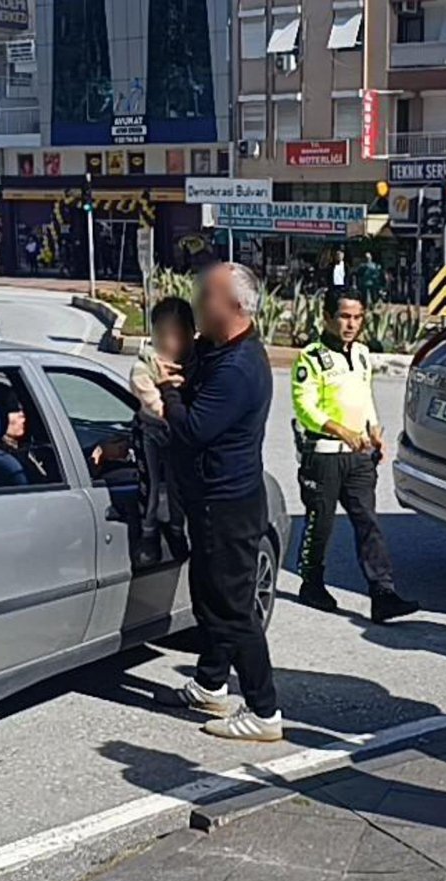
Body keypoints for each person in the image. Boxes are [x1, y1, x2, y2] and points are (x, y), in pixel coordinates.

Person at [153, 263, 282, 742]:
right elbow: (191, 370)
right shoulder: (215, 349)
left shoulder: (241, 367)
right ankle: (211, 683)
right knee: (208, 597)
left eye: (204, 295)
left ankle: (264, 711)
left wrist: (167, 390)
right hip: (209, 500)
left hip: (229, 504)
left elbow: (191, 430)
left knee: (233, 609)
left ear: (230, 306)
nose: (196, 302)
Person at [293, 287, 418, 623]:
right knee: (321, 523)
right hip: (325, 454)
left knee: (368, 522)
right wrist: (341, 430)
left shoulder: (362, 353)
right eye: (344, 317)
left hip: (360, 457)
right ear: (327, 318)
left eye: (357, 317)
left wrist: (374, 428)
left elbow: (364, 397)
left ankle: (383, 593)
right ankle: (312, 582)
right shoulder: (312, 357)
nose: (351, 324)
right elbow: (304, 407)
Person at [128, 296, 196, 567]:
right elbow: (156, 407)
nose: (171, 343)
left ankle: (177, 530)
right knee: (154, 486)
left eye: (178, 335)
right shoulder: (145, 366)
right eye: (164, 335)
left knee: (178, 487)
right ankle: (149, 535)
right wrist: (169, 393)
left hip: (179, 434)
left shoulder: (193, 361)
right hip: (153, 432)